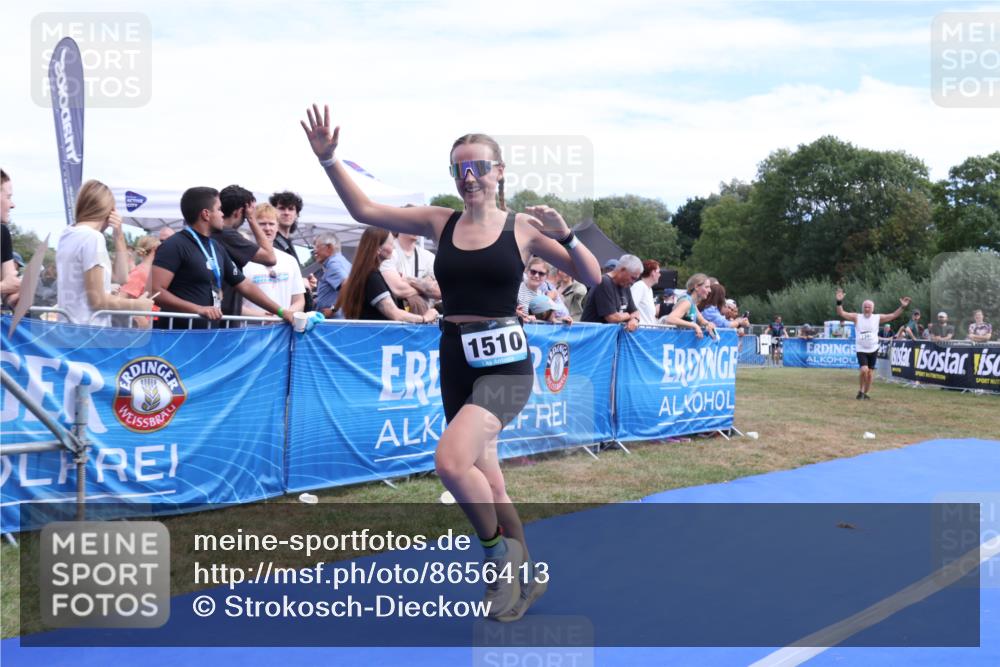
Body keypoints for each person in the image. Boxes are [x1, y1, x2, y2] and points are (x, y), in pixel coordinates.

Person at [301, 104, 601, 621]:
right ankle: (525, 579)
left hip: (506, 365)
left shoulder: (524, 228)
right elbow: (365, 212)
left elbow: (593, 277)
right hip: (455, 357)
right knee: (491, 480)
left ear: (499, 172)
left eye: (479, 167)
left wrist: (570, 236)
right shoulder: (439, 222)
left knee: (450, 463)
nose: (469, 178)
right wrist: (330, 161)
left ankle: (497, 560)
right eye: (459, 169)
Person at [151, 186, 296, 329]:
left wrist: (281, 311)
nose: (222, 214)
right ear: (206, 214)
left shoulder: (216, 247)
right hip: (179, 338)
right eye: (219, 209)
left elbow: (244, 285)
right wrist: (197, 309)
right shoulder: (174, 245)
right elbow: (154, 291)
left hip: (211, 336)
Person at [56, 179, 154, 326]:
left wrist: (118, 235)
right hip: (89, 332)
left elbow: (121, 278)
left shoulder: (68, 234)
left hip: (69, 327)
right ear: (110, 211)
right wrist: (138, 305)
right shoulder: (92, 238)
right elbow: (98, 300)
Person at [335, 226, 438, 323]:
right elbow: (395, 314)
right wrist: (425, 318)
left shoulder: (367, 274)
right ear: (378, 248)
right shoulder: (373, 277)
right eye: (391, 243)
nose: (393, 246)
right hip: (377, 338)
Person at [836, 287, 911, 399]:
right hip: (861, 348)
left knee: (870, 374)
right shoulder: (857, 317)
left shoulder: (877, 318)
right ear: (862, 308)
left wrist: (902, 307)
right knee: (864, 370)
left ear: (873, 308)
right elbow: (841, 312)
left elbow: (893, 315)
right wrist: (839, 301)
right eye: (865, 307)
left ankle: (865, 393)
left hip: (873, 349)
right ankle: (860, 391)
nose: (867, 309)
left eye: (869, 307)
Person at [214, 184, 276, 316]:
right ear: (239, 212)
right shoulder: (227, 234)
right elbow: (270, 258)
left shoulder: (214, 232)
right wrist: (252, 219)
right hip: (224, 318)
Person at [242, 203, 306, 317]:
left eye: (271, 224)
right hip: (250, 330)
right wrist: (259, 316)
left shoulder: (289, 260)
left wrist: (287, 315)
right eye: (262, 224)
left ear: (277, 227)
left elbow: (299, 300)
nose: (267, 228)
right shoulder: (240, 259)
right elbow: (231, 304)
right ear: (252, 226)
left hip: (282, 331)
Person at [269, 190, 315, 312]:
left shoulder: (288, 243)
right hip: (277, 312)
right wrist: (300, 282)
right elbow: (271, 277)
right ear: (273, 211)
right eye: (281, 208)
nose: (286, 212)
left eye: (291, 209)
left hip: (290, 311)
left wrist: (304, 281)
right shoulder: (270, 242)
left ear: (297, 214)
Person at [380, 228, 441, 314]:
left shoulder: (429, 256)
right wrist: (425, 286)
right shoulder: (389, 252)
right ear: (399, 225)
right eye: (413, 225)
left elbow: (439, 291)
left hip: (425, 318)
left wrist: (408, 280)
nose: (417, 228)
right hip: (396, 319)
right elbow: (398, 289)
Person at [581, 255, 641, 331]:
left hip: (606, 337)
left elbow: (635, 311)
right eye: (633, 278)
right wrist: (628, 315)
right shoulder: (604, 282)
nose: (633, 282)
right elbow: (612, 318)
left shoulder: (625, 286)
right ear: (622, 269)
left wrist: (634, 319)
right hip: (592, 337)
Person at [121, 235, 161, 328]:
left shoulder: (148, 271)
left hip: (150, 322)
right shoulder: (140, 272)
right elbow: (122, 298)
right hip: (141, 326)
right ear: (155, 249)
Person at [518, 257, 571, 322]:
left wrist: (562, 320)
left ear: (546, 276)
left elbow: (548, 320)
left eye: (541, 274)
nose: (536, 275)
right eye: (533, 272)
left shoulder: (543, 294)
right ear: (527, 271)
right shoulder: (516, 290)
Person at [664, 272, 716, 339]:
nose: (710, 290)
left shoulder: (692, 303)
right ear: (696, 287)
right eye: (707, 287)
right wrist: (694, 326)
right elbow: (670, 319)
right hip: (676, 344)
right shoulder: (686, 302)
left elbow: (701, 320)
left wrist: (709, 324)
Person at [313, 231, 351, 317]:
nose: (315, 252)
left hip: (334, 322)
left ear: (329, 247)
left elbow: (347, 284)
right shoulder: (344, 262)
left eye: (317, 247)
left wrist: (333, 309)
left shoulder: (333, 264)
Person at [1, 169, 22, 309]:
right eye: (8, 197)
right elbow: (5, 285)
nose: (12, 204)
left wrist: (18, 297)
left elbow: (9, 292)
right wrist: (3, 287)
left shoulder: (3, 233)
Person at [630, 259, 660, 325]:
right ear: (653, 272)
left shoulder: (649, 289)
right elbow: (631, 309)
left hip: (646, 332)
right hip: (639, 332)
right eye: (658, 272)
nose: (660, 275)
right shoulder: (639, 286)